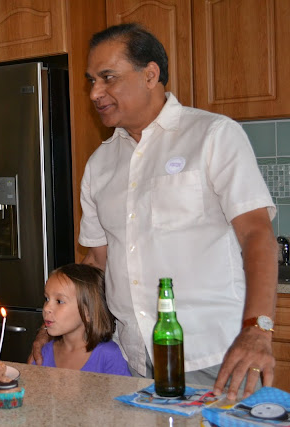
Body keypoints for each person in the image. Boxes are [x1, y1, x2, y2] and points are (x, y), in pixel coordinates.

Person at [30, 23, 277, 401]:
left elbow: (257, 234)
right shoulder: (100, 164)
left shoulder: (213, 135)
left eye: (108, 78)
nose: (95, 92)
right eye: (92, 81)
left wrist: (258, 329)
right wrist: (52, 325)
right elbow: (97, 262)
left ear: (150, 74)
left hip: (217, 356)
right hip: (134, 360)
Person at [33, 263, 131, 376]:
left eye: (59, 301)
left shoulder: (109, 356)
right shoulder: (44, 352)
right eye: (47, 298)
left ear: (88, 312)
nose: (46, 308)